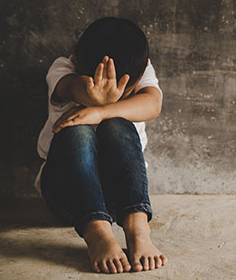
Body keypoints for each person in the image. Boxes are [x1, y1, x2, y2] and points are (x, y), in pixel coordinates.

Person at [34, 17, 167, 274]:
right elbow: (71, 87)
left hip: (120, 200)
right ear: (74, 57)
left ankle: (137, 228)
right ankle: (97, 232)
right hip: (67, 197)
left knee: (118, 124)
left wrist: (101, 111)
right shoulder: (63, 68)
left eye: (124, 88)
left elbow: (153, 104)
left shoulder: (142, 70)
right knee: (77, 130)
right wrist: (92, 97)